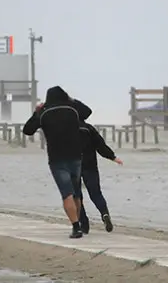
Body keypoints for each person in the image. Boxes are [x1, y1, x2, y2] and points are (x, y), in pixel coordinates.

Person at [22, 86, 92, 239]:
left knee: (66, 194)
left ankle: (75, 227)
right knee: (76, 194)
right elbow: (87, 112)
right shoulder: (72, 109)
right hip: (75, 156)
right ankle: (78, 224)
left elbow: (27, 130)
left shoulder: (44, 113)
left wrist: (37, 112)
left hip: (57, 159)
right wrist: (72, 100)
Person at [78, 122, 123, 234]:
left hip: (73, 166)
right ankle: (104, 213)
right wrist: (113, 157)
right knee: (96, 193)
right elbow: (100, 145)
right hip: (90, 165)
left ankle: (84, 224)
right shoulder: (88, 128)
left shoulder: (65, 128)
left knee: (76, 196)